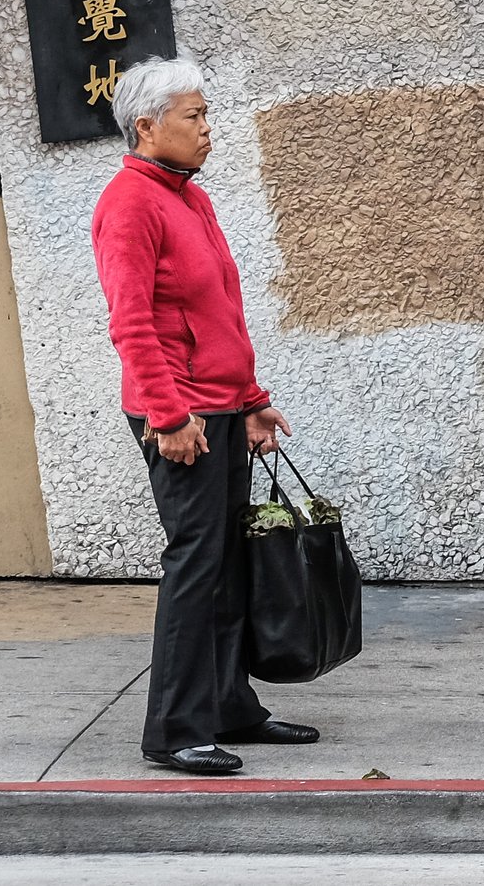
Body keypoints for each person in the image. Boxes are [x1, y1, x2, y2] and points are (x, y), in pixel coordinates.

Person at [93, 56, 319, 775]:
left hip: (218, 408)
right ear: (147, 126)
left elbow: (221, 311)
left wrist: (250, 399)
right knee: (195, 563)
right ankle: (173, 729)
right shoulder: (129, 204)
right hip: (180, 415)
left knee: (226, 561)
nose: (207, 129)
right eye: (193, 117)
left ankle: (227, 707)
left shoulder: (189, 197)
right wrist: (168, 417)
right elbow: (132, 325)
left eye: (205, 114)